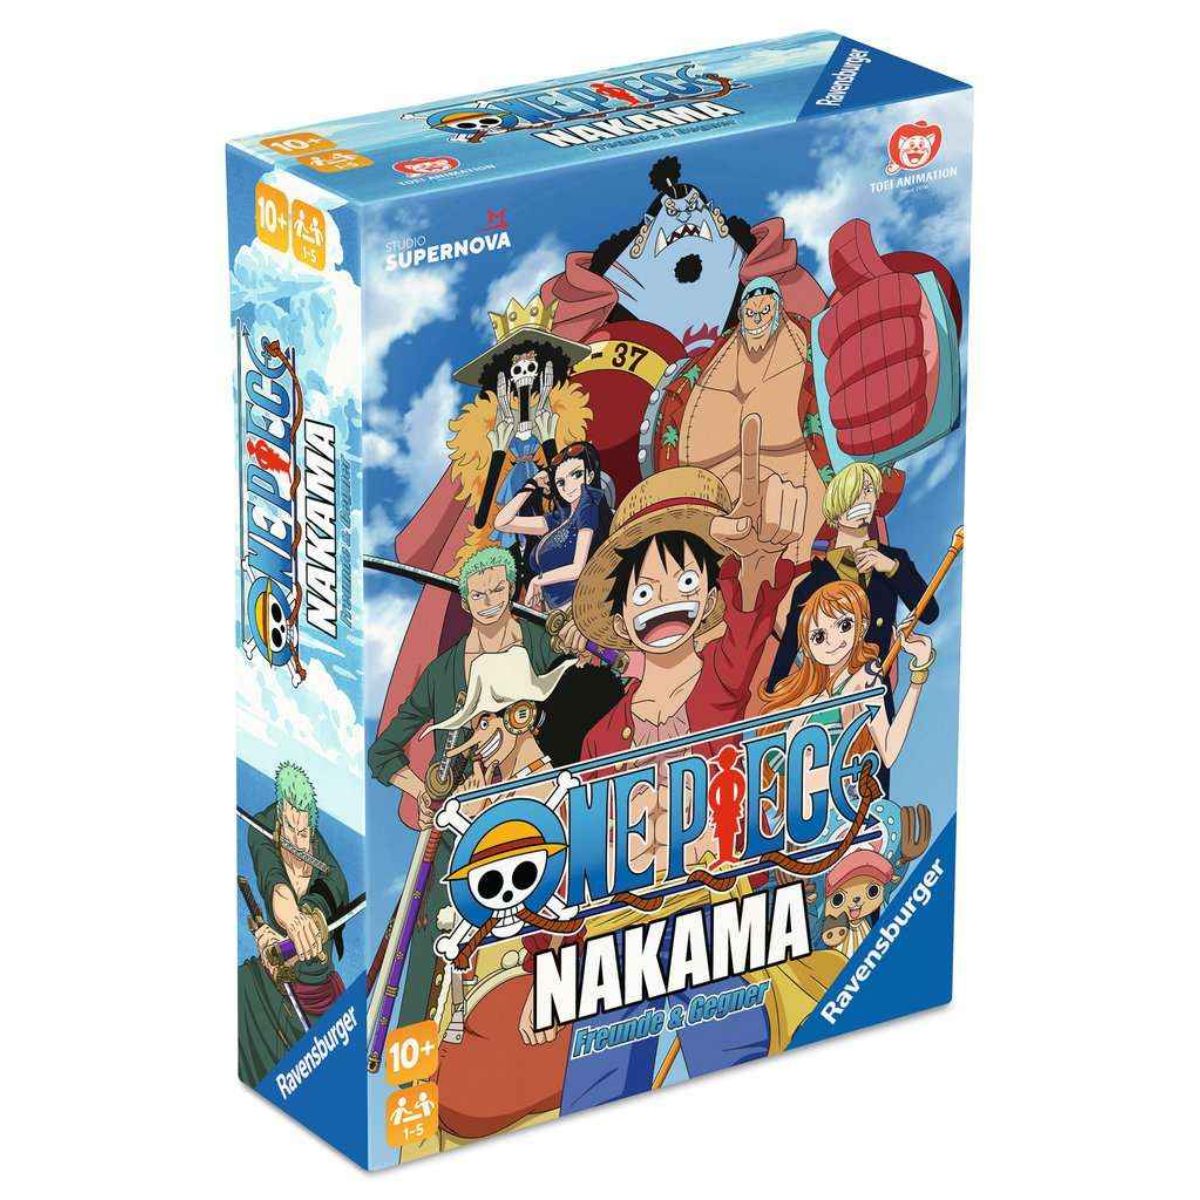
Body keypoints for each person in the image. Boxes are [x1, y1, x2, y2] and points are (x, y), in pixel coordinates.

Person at [768, 460, 939, 692]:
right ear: (836, 508)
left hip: (876, 690)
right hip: (830, 696)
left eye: (868, 490)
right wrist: (773, 701)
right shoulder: (812, 584)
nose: (862, 500)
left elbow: (929, 613)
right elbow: (787, 651)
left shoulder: (894, 560)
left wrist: (892, 568)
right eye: (853, 494)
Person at [237, 763, 350, 1086]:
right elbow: (274, 882)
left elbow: (327, 896)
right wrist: (291, 921)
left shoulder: (330, 872)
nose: (298, 844)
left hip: (315, 994)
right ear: (280, 819)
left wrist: (308, 921)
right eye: (289, 829)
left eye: (304, 834)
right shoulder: (262, 830)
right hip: (267, 984)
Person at [493, 441, 612, 611]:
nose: (568, 486)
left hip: (581, 608)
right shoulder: (560, 518)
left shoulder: (589, 506)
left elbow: (578, 568)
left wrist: (537, 580)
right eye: (561, 482)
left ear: (591, 475)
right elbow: (502, 523)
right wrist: (531, 484)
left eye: (576, 474)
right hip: (555, 612)